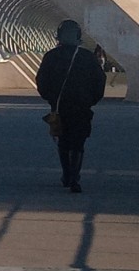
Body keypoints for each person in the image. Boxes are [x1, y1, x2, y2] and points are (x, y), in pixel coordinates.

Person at [35, 19, 105, 193]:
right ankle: (75, 177)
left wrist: (51, 98)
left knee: (63, 140)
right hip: (82, 107)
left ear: (59, 36)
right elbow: (99, 80)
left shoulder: (51, 56)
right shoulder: (87, 57)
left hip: (60, 106)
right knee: (78, 141)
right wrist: (91, 100)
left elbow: (41, 81)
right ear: (78, 36)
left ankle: (67, 174)